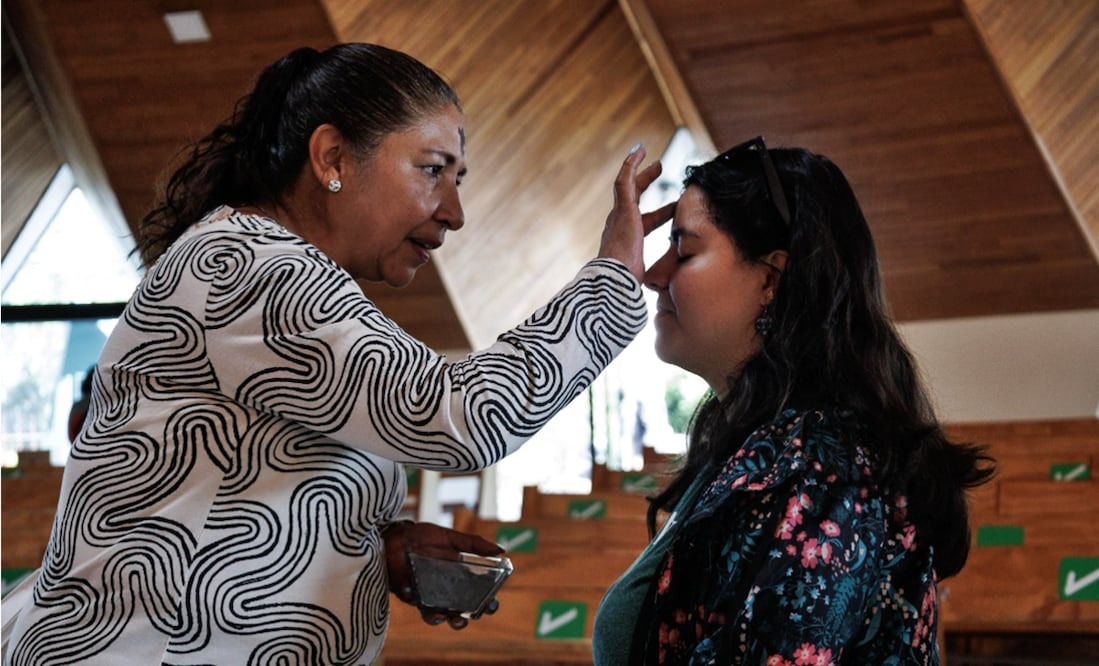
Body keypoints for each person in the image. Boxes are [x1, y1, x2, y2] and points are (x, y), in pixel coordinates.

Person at [4, 43, 673, 665]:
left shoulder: (276, 270)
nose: (454, 211)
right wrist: (612, 274)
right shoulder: (247, 265)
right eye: (432, 170)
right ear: (331, 159)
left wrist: (372, 546)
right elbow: (460, 414)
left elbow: (234, 488)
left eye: (458, 178)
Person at [592, 137, 994, 665]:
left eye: (684, 251)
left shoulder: (826, 467)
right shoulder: (755, 446)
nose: (653, 273)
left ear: (769, 279)